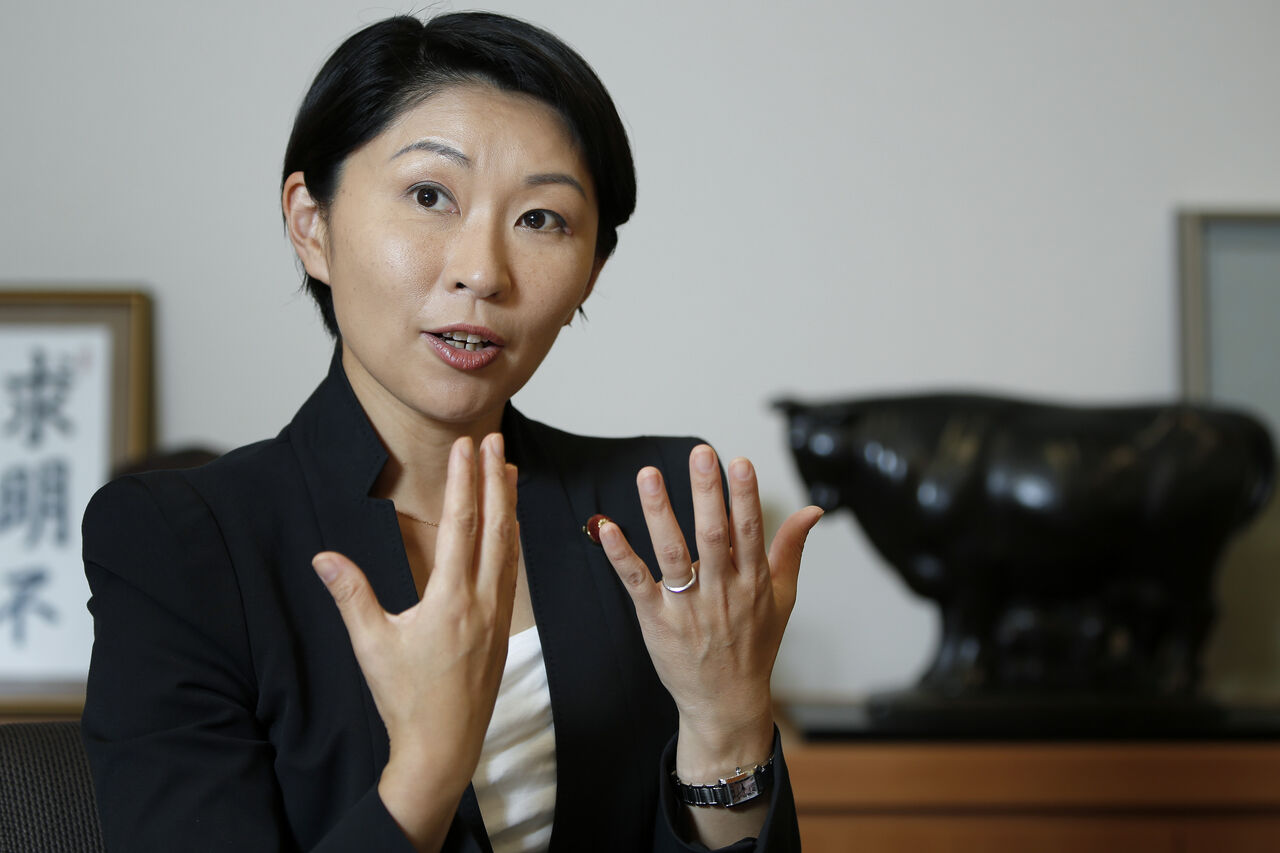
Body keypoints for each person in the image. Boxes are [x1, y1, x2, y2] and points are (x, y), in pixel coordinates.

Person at [81, 12, 821, 853]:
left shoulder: (659, 517)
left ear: (591, 273)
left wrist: (727, 726)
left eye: (541, 219)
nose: (482, 271)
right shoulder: (181, 542)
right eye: (429, 196)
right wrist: (428, 766)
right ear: (311, 223)